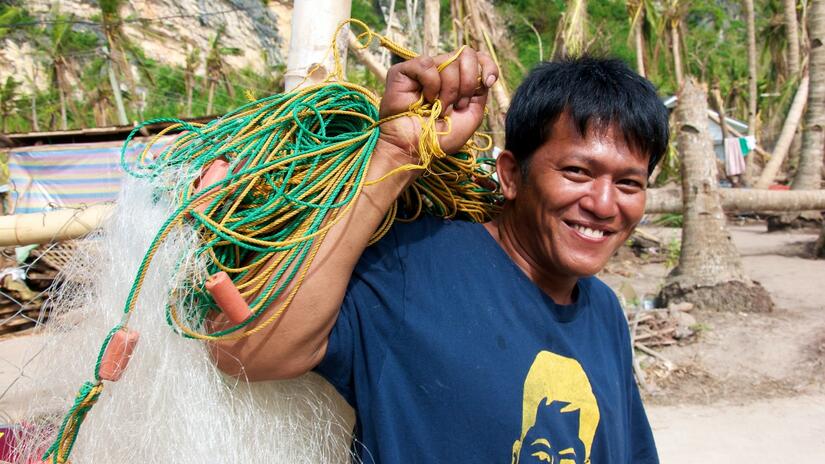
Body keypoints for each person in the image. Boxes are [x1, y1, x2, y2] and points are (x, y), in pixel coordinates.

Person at [211, 47, 668, 463]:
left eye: (629, 183)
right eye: (577, 171)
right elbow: (250, 353)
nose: (605, 205)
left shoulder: (603, 310)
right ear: (510, 175)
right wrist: (396, 151)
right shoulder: (414, 262)